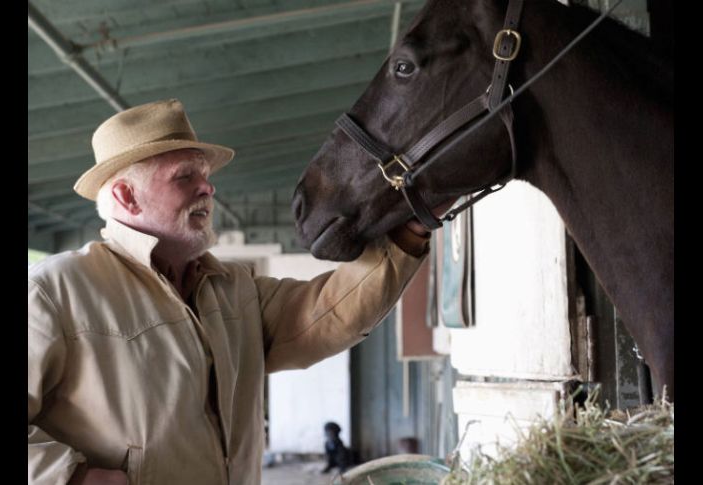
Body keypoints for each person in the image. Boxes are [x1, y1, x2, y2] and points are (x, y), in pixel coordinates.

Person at [28, 99, 431, 485]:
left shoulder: (233, 289)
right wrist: (69, 477)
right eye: (186, 176)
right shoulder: (56, 290)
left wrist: (406, 234)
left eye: (205, 175)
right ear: (126, 196)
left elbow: (328, 314)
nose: (208, 188)